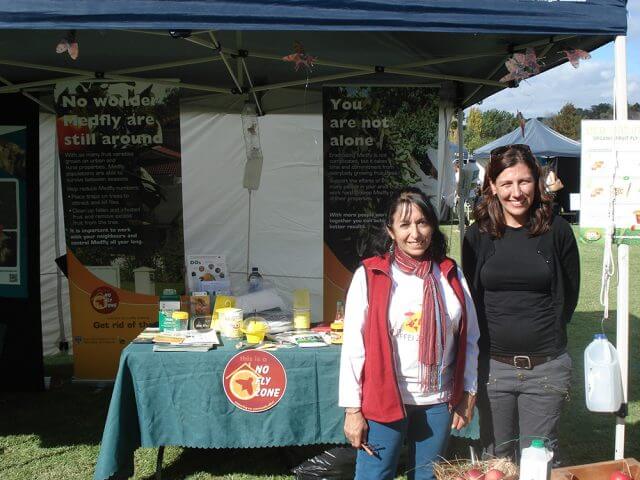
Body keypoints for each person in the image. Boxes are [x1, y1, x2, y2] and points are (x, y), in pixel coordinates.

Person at [339, 186, 480, 480]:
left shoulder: (449, 273)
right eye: (404, 224)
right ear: (390, 231)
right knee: (374, 475)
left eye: (422, 222)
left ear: (432, 225)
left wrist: (469, 391)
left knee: (427, 477)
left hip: (438, 400)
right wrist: (353, 410)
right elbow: (354, 347)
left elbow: (470, 339)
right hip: (385, 399)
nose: (415, 233)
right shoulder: (371, 275)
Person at [462, 144, 580, 463]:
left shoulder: (558, 231)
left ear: (537, 182)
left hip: (545, 368)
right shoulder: (478, 235)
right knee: (496, 459)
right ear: (492, 186)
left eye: (524, 181)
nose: (517, 192)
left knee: (537, 461)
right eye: (507, 183)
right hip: (492, 369)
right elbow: (472, 296)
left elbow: (569, 296)